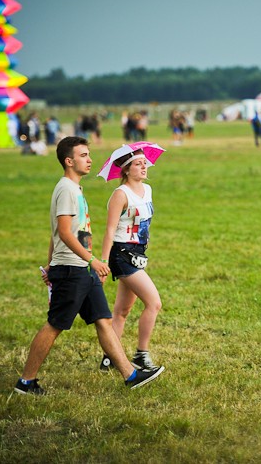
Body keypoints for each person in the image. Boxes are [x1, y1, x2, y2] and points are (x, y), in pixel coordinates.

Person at [14, 137, 163, 395]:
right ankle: (26, 382)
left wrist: (52, 262)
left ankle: (130, 375)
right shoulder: (67, 190)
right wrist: (92, 260)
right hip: (74, 268)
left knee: (104, 320)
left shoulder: (76, 189)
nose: (90, 159)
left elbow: (57, 233)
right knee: (55, 325)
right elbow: (63, 232)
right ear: (69, 161)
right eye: (84, 155)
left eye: (89, 154)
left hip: (81, 267)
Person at [99, 149, 166, 375]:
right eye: (138, 164)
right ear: (126, 169)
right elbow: (109, 230)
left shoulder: (147, 189)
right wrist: (103, 262)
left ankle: (109, 358)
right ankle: (141, 355)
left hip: (138, 253)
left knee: (122, 311)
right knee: (154, 303)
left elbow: (144, 224)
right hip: (121, 254)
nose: (144, 167)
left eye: (144, 163)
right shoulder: (120, 194)